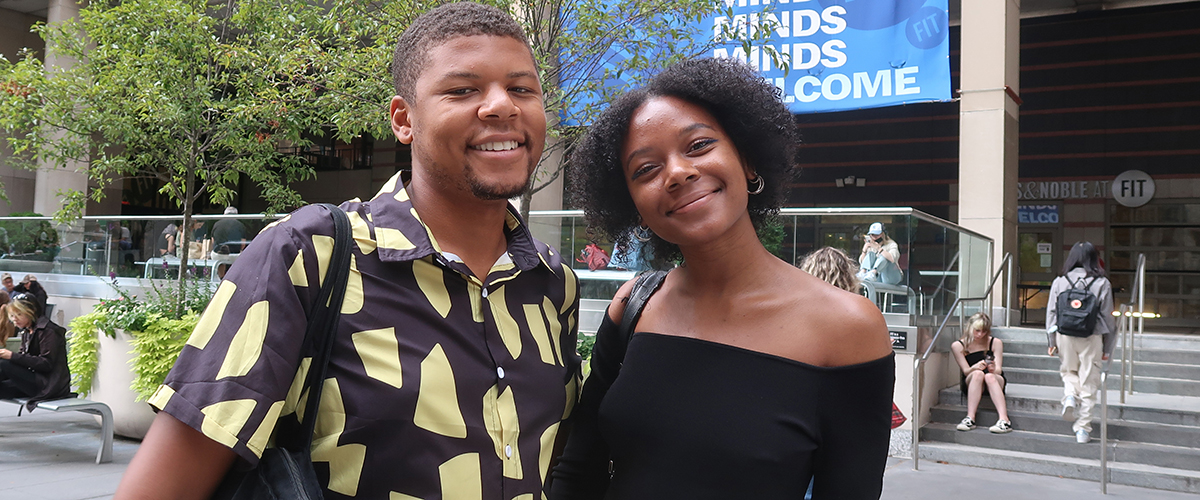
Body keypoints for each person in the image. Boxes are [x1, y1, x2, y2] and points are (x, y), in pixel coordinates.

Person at [115, 4, 581, 499]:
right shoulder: (310, 254)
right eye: (462, 90)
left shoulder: (553, 285)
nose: (501, 106)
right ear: (404, 120)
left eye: (521, 88)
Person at [551, 58, 894, 499]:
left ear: (748, 161)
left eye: (697, 146)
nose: (676, 173)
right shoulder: (633, 306)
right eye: (646, 169)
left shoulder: (848, 327)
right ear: (632, 203)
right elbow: (579, 470)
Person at [1046, 241, 1114, 444]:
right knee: (1089, 381)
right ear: (1094, 258)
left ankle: (1069, 396)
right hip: (1091, 336)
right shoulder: (1102, 283)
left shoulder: (1060, 281)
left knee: (1068, 372)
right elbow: (1109, 319)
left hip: (1064, 335)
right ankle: (1083, 429)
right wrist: (1107, 348)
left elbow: (1051, 313)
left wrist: (1051, 341)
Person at [0, 294, 71, 408]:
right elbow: (25, 358)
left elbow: (46, 364)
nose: (14, 319)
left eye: (19, 314)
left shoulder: (48, 331)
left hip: (49, 386)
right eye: (12, 315)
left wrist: (12, 356)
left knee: (3, 363)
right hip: (35, 381)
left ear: (31, 312)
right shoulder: (28, 330)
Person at [951, 312, 1013, 434]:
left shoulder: (995, 342)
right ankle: (970, 418)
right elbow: (966, 371)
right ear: (970, 328)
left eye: (984, 331)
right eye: (977, 330)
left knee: (989, 376)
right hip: (972, 380)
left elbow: (999, 371)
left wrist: (993, 368)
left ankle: (1004, 419)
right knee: (978, 374)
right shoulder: (958, 346)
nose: (980, 334)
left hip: (993, 380)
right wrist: (975, 367)